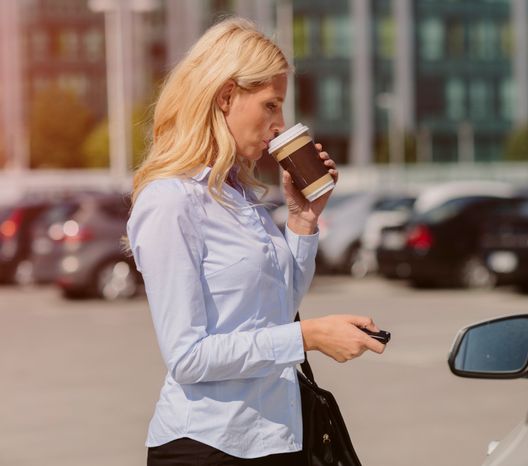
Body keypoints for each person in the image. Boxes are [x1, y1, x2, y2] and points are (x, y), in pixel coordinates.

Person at [127, 17, 386, 466]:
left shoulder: (240, 197)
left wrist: (304, 220)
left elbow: (280, 308)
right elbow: (188, 357)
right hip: (209, 448)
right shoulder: (171, 201)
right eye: (270, 105)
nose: (279, 124)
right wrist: (309, 336)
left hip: (278, 439)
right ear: (226, 96)